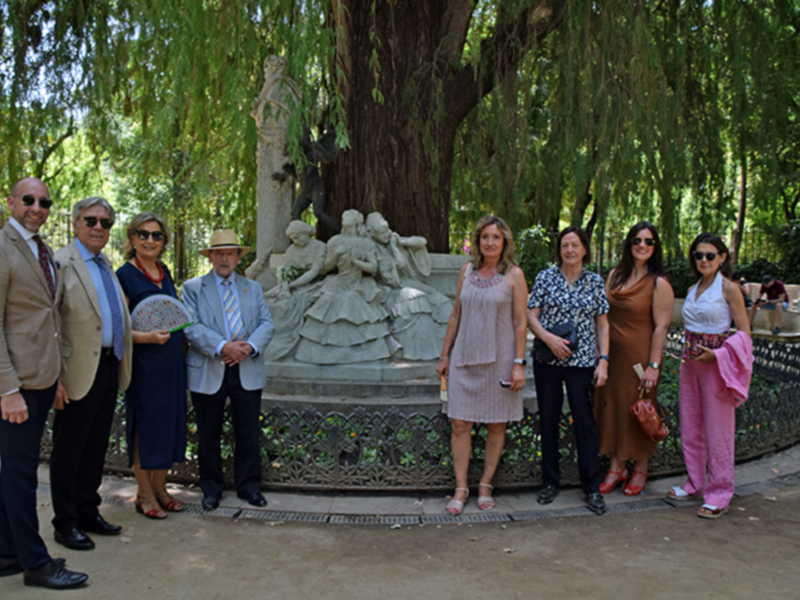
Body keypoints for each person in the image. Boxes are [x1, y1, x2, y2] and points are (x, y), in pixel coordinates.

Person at [0, 177, 87, 589]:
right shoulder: (3, 248)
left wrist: (52, 379)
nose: (37, 207)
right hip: (14, 385)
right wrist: (7, 389)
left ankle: (7, 551)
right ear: (12, 202)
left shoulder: (41, 249)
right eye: (29, 200)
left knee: (16, 472)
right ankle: (36, 563)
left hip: (39, 379)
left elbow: (47, 320)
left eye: (45, 201)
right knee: (20, 475)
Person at [50, 197, 133, 552]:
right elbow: (49, 322)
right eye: (91, 221)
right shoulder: (60, 263)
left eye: (105, 223)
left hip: (108, 366)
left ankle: (88, 512)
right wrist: (54, 377)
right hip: (74, 372)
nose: (99, 227)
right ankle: (64, 523)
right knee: (70, 450)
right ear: (76, 223)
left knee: (96, 446)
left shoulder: (104, 264)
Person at [436, 215, 528, 515]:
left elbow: (519, 323)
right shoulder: (467, 271)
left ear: (505, 242)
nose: (490, 242)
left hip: (500, 360)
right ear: (478, 240)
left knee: (496, 424)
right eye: (485, 236)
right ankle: (461, 487)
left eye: (496, 237)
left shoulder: (514, 275)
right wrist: (444, 355)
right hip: (464, 357)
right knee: (460, 423)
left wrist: (518, 364)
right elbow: (455, 315)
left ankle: (485, 484)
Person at [183, 230, 275, 511]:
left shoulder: (253, 287)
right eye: (219, 253)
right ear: (210, 256)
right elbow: (190, 326)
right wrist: (224, 346)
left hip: (246, 368)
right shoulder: (193, 288)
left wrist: (247, 347)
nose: (224, 258)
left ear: (238, 257)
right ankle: (211, 489)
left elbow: (267, 323)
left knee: (247, 432)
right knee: (208, 433)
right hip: (210, 368)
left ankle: (249, 487)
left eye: (230, 253)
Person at [527, 226, 610, 515]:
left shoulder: (595, 281)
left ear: (585, 249)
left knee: (584, 422)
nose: (570, 250)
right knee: (548, 419)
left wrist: (604, 361)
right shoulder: (545, 277)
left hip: (583, 361)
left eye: (575, 245)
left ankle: (592, 487)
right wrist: (548, 338)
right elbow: (531, 316)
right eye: (565, 245)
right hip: (549, 360)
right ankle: (550, 482)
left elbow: (602, 324)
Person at [668, 233, 750, 518]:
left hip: (717, 365)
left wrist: (717, 355)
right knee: (690, 426)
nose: (703, 260)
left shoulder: (728, 289)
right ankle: (694, 483)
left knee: (718, 430)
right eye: (698, 255)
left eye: (710, 255)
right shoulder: (693, 288)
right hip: (690, 364)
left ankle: (720, 492)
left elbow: (745, 333)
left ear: (722, 257)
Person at [116, 212, 187, 519]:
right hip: (144, 366)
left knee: (167, 426)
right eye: (143, 234)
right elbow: (117, 329)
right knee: (144, 429)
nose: (149, 240)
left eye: (156, 235)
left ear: (163, 242)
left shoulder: (163, 271)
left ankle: (161, 488)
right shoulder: (124, 275)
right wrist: (146, 338)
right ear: (132, 238)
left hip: (171, 364)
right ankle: (144, 494)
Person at [595, 222, 674, 497]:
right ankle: (617, 467)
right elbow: (602, 315)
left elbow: (661, 328)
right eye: (637, 240)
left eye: (649, 241)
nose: (643, 246)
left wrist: (654, 366)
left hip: (640, 360)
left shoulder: (659, 283)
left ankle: (640, 468)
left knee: (640, 410)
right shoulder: (615, 274)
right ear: (629, 244)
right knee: (613, 408)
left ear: (655, 247)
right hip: (611, 357)